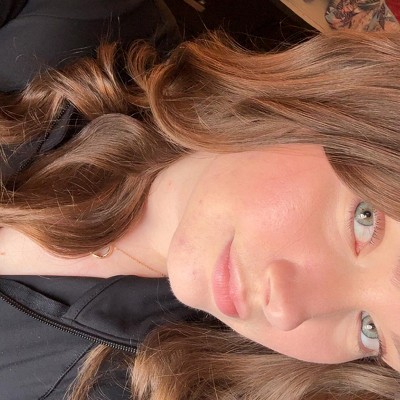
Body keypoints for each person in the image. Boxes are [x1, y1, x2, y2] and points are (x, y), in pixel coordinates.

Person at [0, 3, 400, 400]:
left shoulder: (124, 387)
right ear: (344, 109)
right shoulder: (88, 19)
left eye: (370, 331)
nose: (284, 310)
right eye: (364, 219)